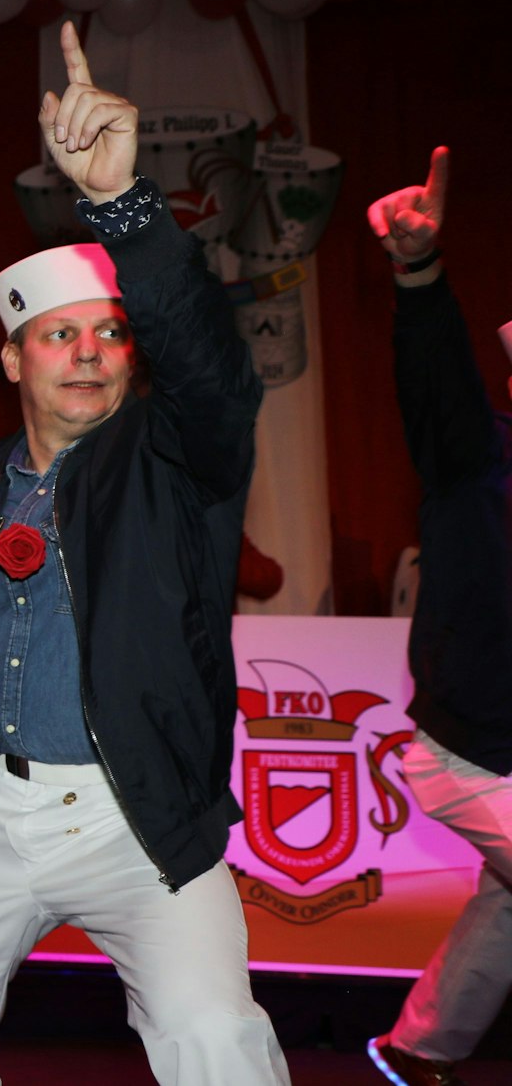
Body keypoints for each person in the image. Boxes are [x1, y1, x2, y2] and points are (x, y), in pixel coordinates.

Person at [0, 22, 289, 1085]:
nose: (86, 353)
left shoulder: (177, 460)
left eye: (109, 333)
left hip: (134, 819)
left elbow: (213, 371)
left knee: (215, 1035)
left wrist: (123, 206)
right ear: (11, 358)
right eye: (58, 334)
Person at [362, 148, 512, 1086]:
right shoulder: (477, 463)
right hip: (472, 754)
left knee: (507, 901)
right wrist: (417, 273)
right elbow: (438, 386)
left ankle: (419, 1049)